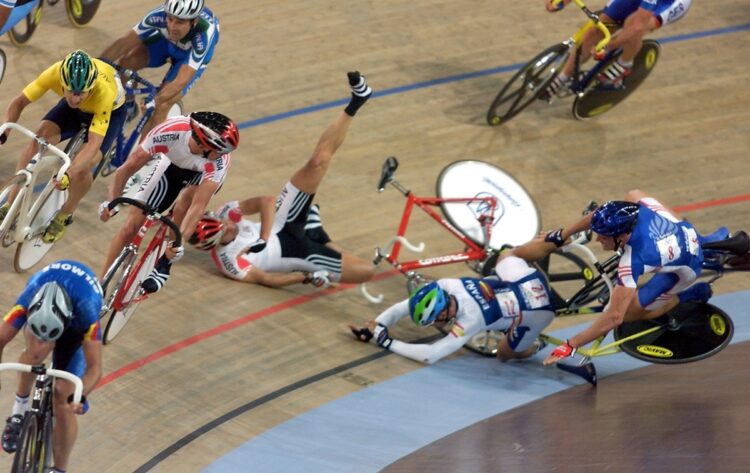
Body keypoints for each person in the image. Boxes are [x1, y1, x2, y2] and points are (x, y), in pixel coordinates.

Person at [189, 71, 375, 288]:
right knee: (366, 271)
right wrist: (304, 277)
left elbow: (267, 202)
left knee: (317, 162)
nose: (230, 225)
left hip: (282, 223)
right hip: (298, 254)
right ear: (216, 245)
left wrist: (264, 238)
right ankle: (317, 235)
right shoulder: (228, 261)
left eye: (225, 224)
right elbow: (267, 279)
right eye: (226, 231)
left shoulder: (225, 212)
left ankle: (356, 101)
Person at [541, 189, 714, 365]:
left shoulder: (633, 260)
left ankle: (691, 294)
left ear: (622, 237)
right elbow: (599, 214)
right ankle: (705, 241)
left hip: (687, 268)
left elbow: (614, 317)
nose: (598, 239)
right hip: (684, 233)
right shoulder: (634, 210)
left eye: (604, 236)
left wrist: (570, 345)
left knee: (630, 314)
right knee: (633, 193)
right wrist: (563, 234)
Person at [348, 240, 558, 365]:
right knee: (506, 254)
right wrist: (377, 325)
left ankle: (536, 345)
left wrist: (387, 342)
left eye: (433, 320)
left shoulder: (470, 319)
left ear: (443, 313)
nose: (434, 325)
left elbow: (430, 355)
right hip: (525, 282)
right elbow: (405, 306)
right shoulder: (446, 285)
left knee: (504, 355)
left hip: (539, 311)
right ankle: (556, 241)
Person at [99, 110, 239, 294]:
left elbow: (198, 206)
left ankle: (165, 264)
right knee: (130, 228)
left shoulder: (219, 163)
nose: (223, 155)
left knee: (185, 202)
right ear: (204, 144)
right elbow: (128, 167)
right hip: (171, 167)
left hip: (199, 178)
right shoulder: (171, 131)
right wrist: (112, 201)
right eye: (219, 151)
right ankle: (101, 283)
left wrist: (180, 243)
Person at [0, 49, 127, 243]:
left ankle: (65, 213)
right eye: (71, 92)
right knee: (38, 139)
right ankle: (10, 205)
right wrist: (4, 131)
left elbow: (94, 144)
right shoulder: (54, 73)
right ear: (62, 83)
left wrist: (68, 173)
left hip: (109, 112)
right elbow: (19, 102)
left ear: (91, 88)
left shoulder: (103, 92)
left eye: (81, 93)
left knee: (83, 168)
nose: (75, 98)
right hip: (73, 111)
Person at [0, 260, 103, 473]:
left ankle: (59, 468)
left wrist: (80, 396)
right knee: (35, 353)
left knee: (62, 398)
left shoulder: (88, 312)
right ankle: (18, 413)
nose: (45, 342)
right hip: (46, 312)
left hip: (75, 330)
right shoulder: (27, 299)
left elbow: (95, 368)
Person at [99, 0, 219, 144]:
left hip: (187, 58)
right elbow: (123, 43)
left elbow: (181, 80)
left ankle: (144, 153)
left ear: (194, 21)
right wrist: (95, 65)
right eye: (170, 19)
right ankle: (128, 106)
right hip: (166, 43)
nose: (172, 26)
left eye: (180, 22)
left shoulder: (203, 35)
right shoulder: (158, 16)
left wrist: (155, 101)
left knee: (162, 105)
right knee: (127, 62)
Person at [541, 0, 692, 98]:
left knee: (633, 25)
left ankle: (624, 64)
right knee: (596, 31)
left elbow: (637, 26)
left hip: (666, 4)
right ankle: (562, 78)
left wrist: (607, 47)